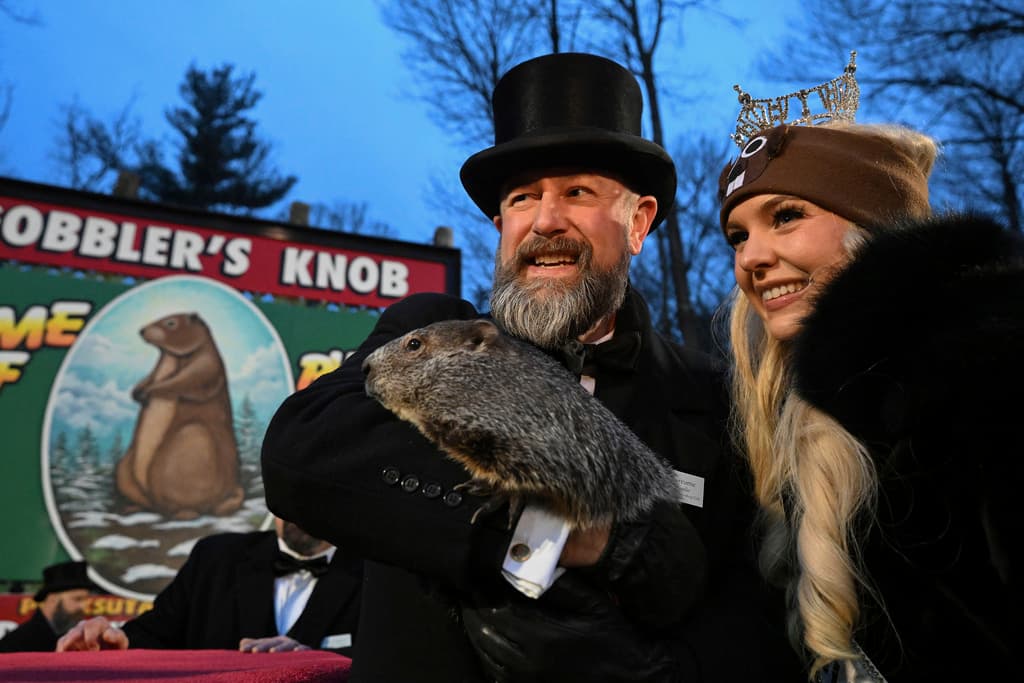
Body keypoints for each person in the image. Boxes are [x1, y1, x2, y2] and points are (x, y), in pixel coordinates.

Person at [261, 52, 800, 682]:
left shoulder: (712, 397)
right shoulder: (428, 329)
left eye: (577, 192)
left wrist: (651, 669)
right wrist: (579, 536)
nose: (546, 221)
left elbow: (745, 613)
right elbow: (303, 456)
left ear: (638, 221)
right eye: (523, 198)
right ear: (500, 224)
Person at [718, 73, 1024, 679]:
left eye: (786, 216)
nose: (750, 258)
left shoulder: (990, 369)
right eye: (737, 235)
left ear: (874, 221)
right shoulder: (804, 410)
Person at [56, 516, 361, 656]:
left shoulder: (379, 576)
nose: (296, 503)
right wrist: (116, 640)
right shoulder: (216, 559)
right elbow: (157, 632)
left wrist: (319, 662)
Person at [0, 561, 99, 652]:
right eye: (77, 599)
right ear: (53, 599)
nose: (84, 606)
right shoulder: (15, 644)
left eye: (85, 600)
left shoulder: (79, 639)